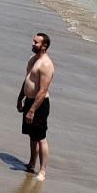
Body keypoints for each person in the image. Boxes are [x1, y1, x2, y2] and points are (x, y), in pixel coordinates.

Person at [18, 32, 55, 181]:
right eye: (33, 41)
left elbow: (43, 90)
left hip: (39, 105)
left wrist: (32, 110)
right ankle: (31, 163)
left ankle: (43, 171)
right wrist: (20, 98)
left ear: (44, 46)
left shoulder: (46, 64)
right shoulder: (32, 60)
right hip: (28, 100)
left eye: (36, 42)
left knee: (41, 137)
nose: (33, 44)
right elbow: (27, 80)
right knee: (32, 136)